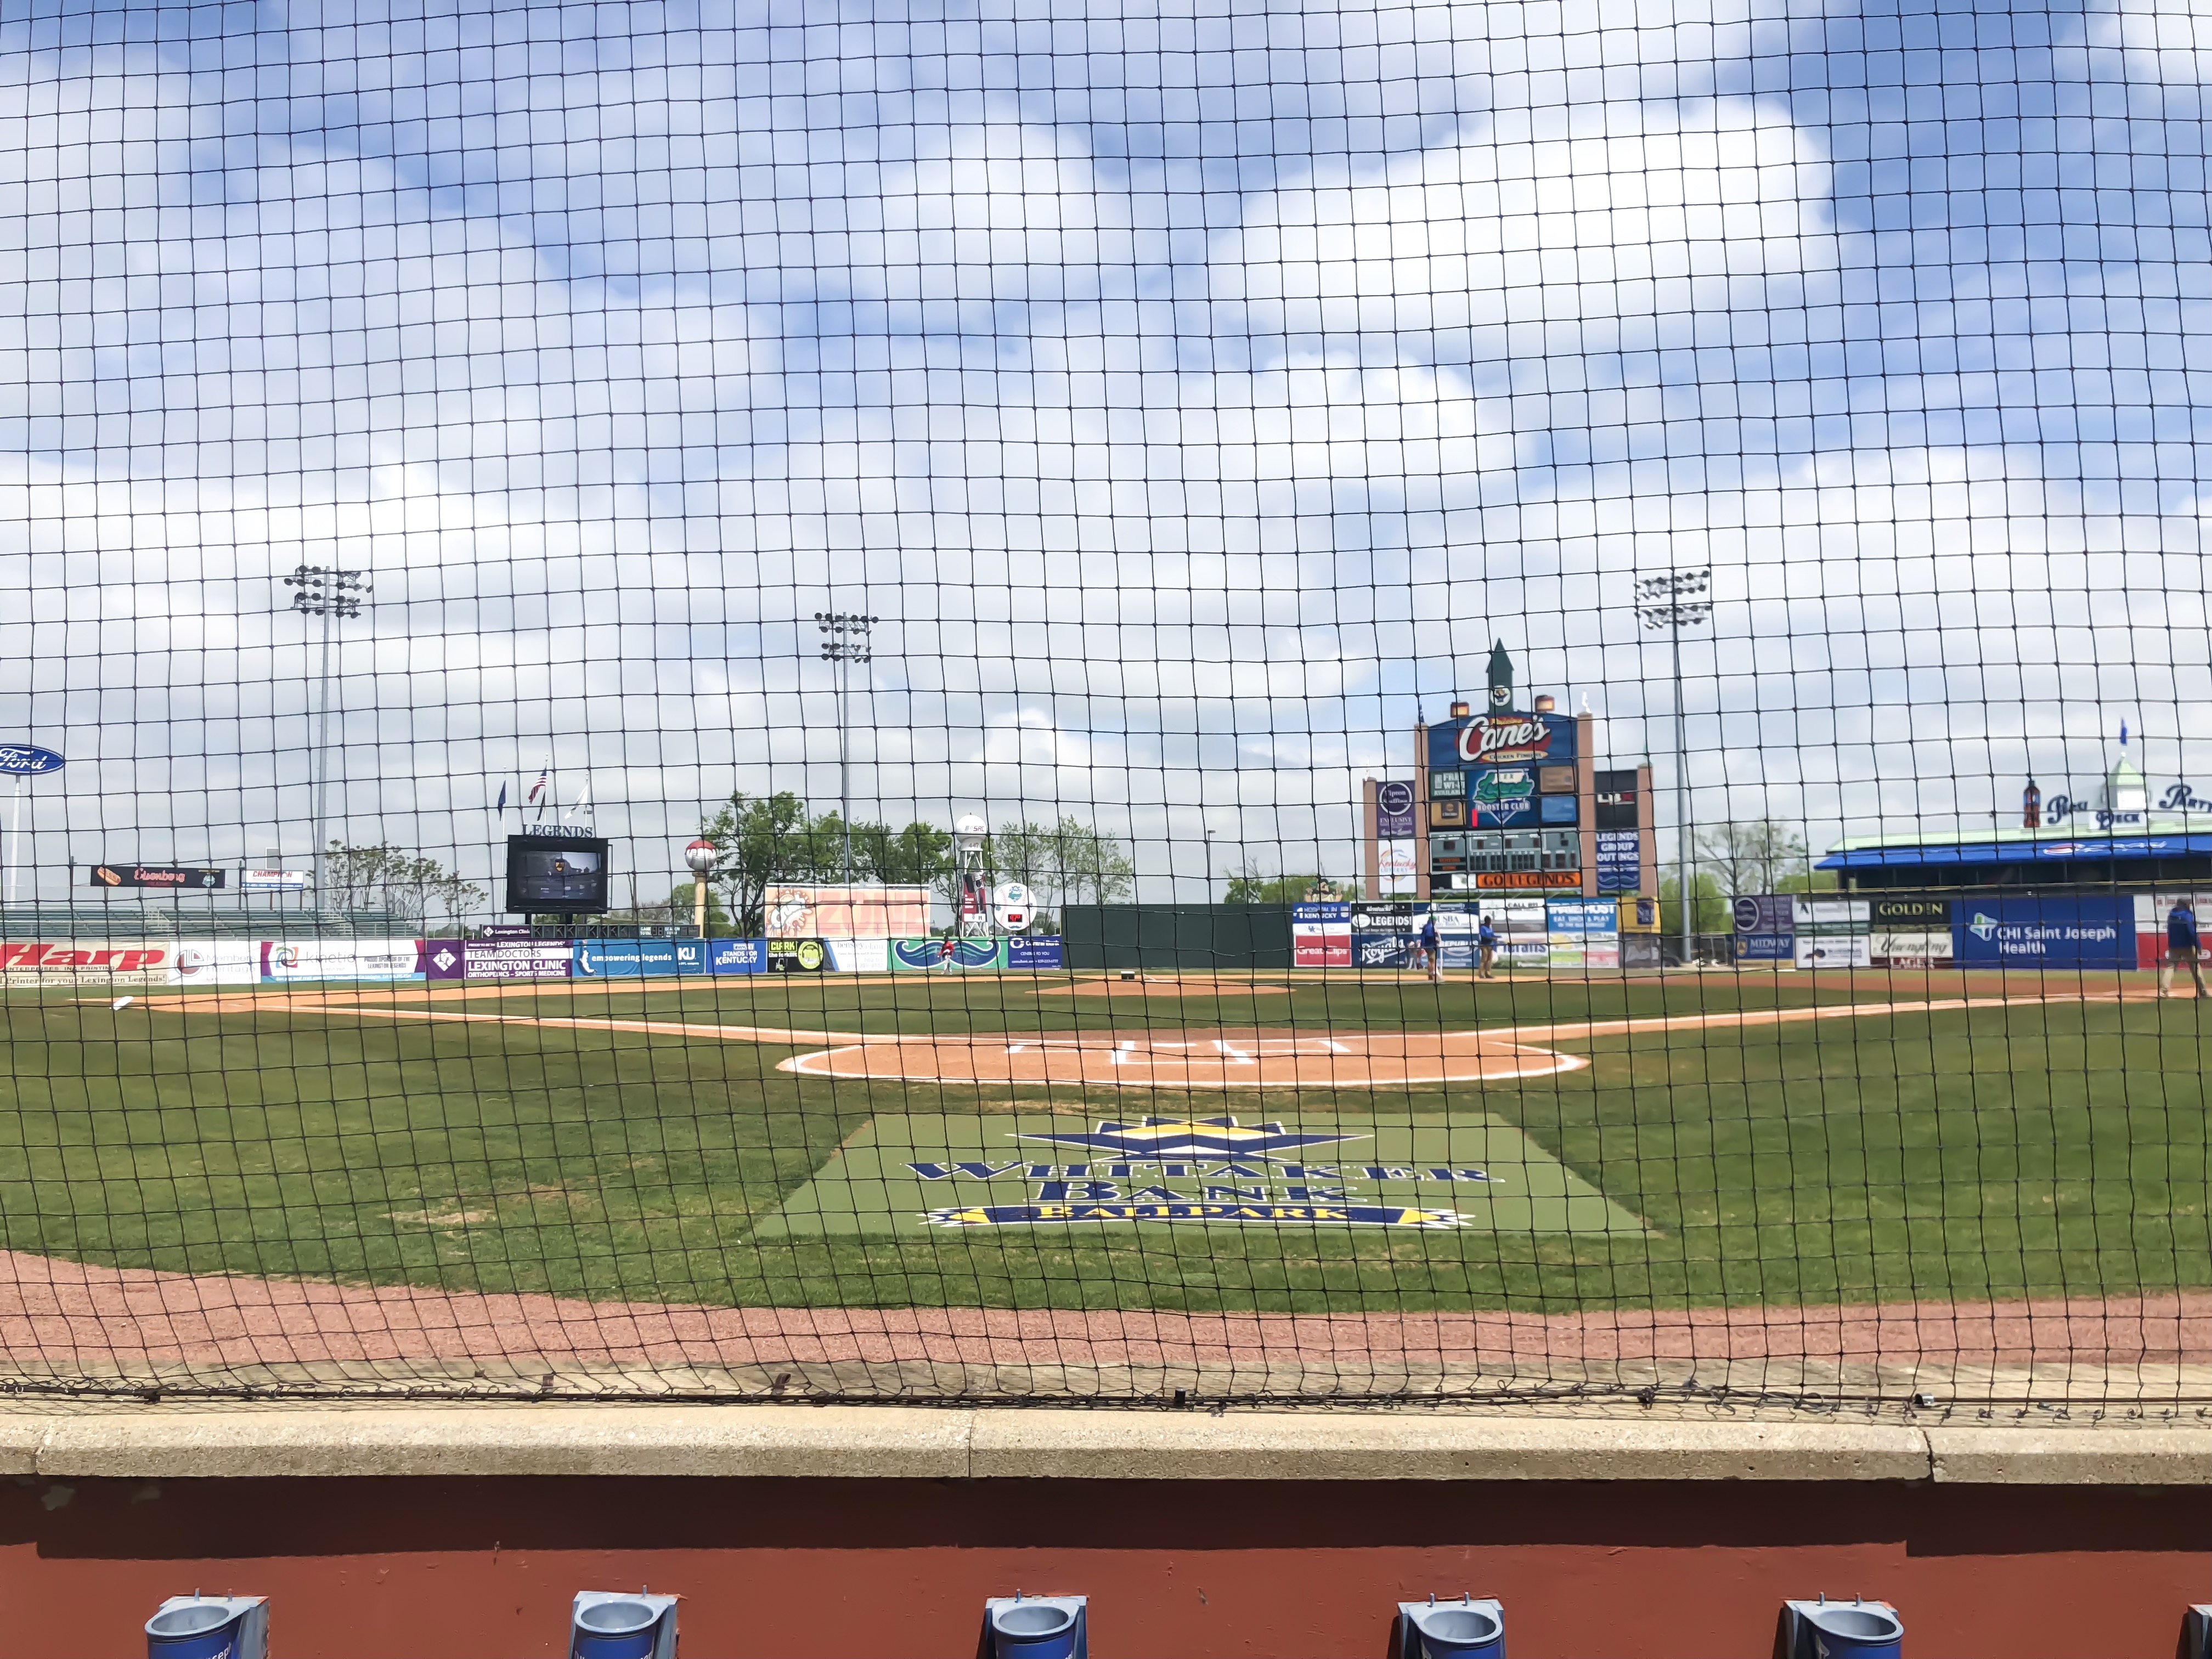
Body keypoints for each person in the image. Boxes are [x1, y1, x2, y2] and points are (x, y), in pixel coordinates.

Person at [2163, 899, 2208, 998]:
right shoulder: (2187, 915)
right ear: (2185, 905)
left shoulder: (2171, 915)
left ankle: (2163, 992)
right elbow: (2191, 932)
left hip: (2173, 946)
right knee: (2196, 969)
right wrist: (2198, 945)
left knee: (2170, 968)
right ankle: (2203, 992)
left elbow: (2169, 930)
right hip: (2187, 946)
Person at [1418, 912, 1443, 984]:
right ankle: (1433, 975)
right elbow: (1429, 936)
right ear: (1434, 920)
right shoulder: (1431, 927)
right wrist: (1436, 940)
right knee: (1432, 960)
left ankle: (1430, 974)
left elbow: (1422, 936)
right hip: (1431, 945)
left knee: (1430, 959)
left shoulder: (1425, 926)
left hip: (1426, 945)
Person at [1477, 913, 1498, 980]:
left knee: (1489, 960)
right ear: (1487, 921)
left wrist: (1494, 938)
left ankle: (1488, 974)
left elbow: (1492, 935)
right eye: (1489, 921)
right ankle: (1481, 974)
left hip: (1490, 945)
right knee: (1484, 960)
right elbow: (1483, 936)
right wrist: (1491, 939)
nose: (1490, 922)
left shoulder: (1490, 928)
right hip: (1484, 945)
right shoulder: (1483, 928)